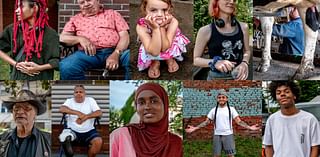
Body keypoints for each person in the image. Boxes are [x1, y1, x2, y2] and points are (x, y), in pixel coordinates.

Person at [59, 0, 130, 80]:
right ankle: (82, 87)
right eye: (82, 2)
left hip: (116, 51)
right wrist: (80, 39)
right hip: (87, 54)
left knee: (131, 58)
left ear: (98, 1)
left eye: (89, 0)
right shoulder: (75, 19)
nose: (86, 4)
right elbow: (62, 38)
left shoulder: (112, 14)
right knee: (66, 66)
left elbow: (125, 36)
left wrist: (116, 53)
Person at [110, 82, 182, 157]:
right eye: (141, 102)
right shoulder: (120, 136)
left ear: (165, 105)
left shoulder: (177, 143)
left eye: (154, 101)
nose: (147, 107)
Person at [186, 89, 260, 157]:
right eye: (219, 97)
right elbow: (206, 122)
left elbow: (239, 121)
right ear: (217, 99)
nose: (221, 99)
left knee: (230, 155)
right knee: (216, 155)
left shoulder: (231, 109)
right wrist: (195, 128)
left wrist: (250, 127)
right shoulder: (213, 110)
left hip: (228, 135)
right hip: (217, 135)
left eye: (223, 97)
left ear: (226, 99)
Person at [0, 0, 59, 80]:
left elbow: (57, 61)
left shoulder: (51, 34)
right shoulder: (13, 30)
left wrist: (39, 68)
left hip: (42, 81)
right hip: (17, 80)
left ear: (34, 8)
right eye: (17, 7)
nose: (16, 10)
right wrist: (16, 64)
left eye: (21, 6)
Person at [193, 0, 251, 80]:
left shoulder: (244, 27)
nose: (231, 1)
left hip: (239, 77)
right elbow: (196, 60)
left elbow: (247, 51)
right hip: (215, 79)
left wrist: (245, 63)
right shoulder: (205, 30)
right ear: (216, 2)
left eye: (234, 0)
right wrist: (215, 62)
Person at [263, 81, 320, 157]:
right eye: (278, 93)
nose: (282, 94)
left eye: (287, 91)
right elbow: (269, 146)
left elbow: (315, 147)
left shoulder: (310, 119)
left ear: (294, 95)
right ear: (276, 98)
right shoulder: (272, 120)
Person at [136, 0, 190, 78]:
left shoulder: (173, 22)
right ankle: (155, 61)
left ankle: (169, 58)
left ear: (169, 8)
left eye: (164, 10)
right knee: (152, 49)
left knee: (168, 48)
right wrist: (155, 29)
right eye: (153, 10)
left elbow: (165, 48)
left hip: (168, 44)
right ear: (145, 9)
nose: (160, 14)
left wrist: (162, 27)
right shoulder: (141, 26)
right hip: (152, 46)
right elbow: (154, 52)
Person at [0, 90, 51, 157]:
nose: (20, 112)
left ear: (35, 113)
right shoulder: (2, 139)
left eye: (27, 108)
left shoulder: (48, 140)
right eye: (16, 108)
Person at [59, 85, 103, 157]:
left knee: (98, 142)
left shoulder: (90, 100)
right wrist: (78, 113)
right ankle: (69, 153)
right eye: (76, 92)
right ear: (74, 94)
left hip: (89, 131)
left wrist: (85, 117)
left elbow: (99, 112)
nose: (78, 93)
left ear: (85, 93)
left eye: (81, 92)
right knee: (65, 138)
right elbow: (61, 109)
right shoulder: (69, 101)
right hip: (72, 130)